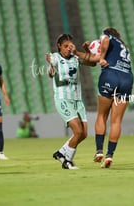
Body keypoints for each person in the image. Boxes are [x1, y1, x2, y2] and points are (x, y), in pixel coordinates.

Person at [46, 33, 97, 169]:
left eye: (70, 46)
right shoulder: (55, 57)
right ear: (59, 46)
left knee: (84, 133)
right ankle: (67, 161)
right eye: (65, 46)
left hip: (77, 100)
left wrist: (86, 50)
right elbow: (51, 73)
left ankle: (61, 152)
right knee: (78, 131)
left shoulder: (75, 57)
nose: (68, 48)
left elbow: (93, 63)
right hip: (63, 99)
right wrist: (51, 66)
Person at [92, 28, 134, 168]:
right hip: (127, 78)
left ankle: (99, 151)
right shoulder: (124, 46)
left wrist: (102, 57)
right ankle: (110, 155)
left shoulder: (107, 36)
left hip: (111, 74)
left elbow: (105, 40)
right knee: (116, 121)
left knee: (102, 115)